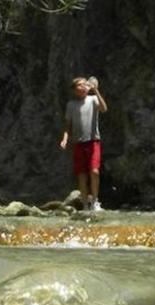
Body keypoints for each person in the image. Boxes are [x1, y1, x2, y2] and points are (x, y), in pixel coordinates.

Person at [60, 76, 108, 211]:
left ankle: (95, 202)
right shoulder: (71, 105)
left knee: (94, 171)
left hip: (93, 142)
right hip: (78, 144)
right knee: (81, 174)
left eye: (85, 85)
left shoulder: (93, 99)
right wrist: (65, 139)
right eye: (80, 85)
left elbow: (104, 109)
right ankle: (86, 204)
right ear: (75, 90)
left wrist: (96, 91)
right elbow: (67, 126)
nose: (84, 87)